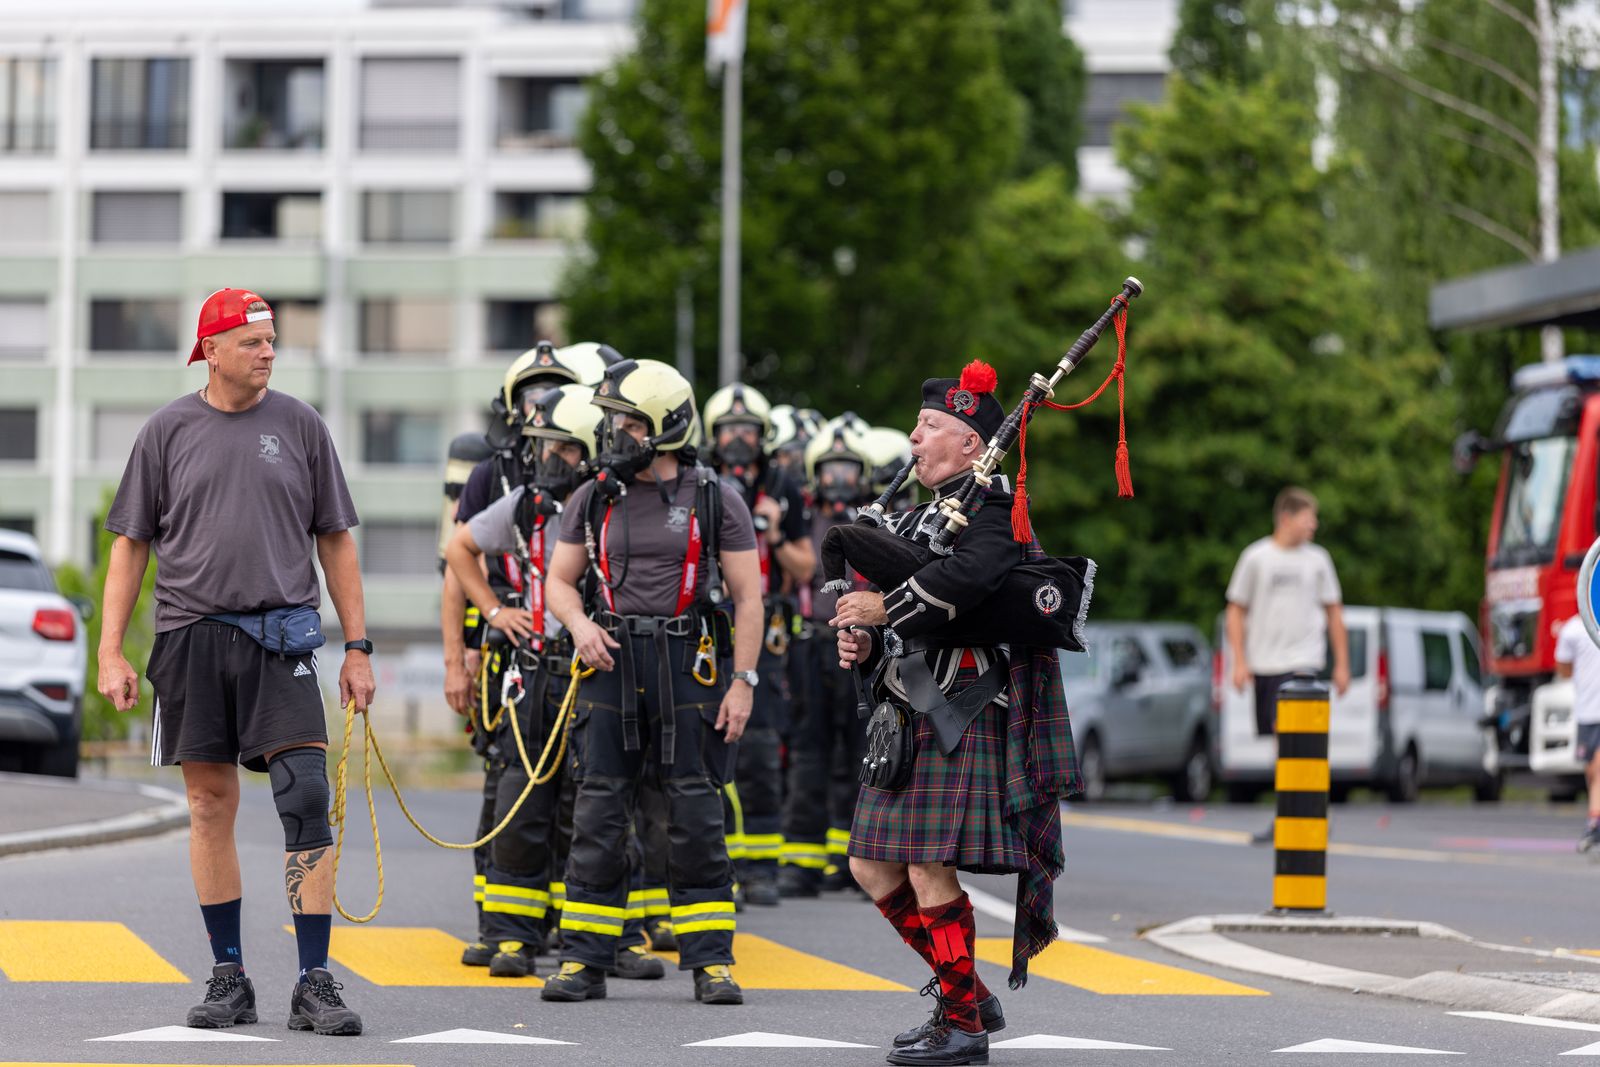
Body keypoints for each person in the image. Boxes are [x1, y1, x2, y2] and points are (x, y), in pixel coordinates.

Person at [98, 288, 374, 1036]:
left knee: (305, 793)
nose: (268, 352)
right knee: (209, 804)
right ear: (211, 351)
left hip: (281, 637)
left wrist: (357, 647)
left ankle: (314, 980)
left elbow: (336, 539)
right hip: (190, 638)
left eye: (271, 339)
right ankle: (230, 977)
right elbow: (130, 545)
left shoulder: (301, 425)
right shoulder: (166, 431)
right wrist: (111, 651)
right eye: (253, 341)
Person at [835, 363, 1078, 1067]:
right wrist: (867, 640)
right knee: (869, 865)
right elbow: (906, 618)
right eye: (916, 425)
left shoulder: (996, 509)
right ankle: (966, 994)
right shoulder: (919, 516)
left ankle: (964, 1025)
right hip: (906, 710)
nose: (914, 437)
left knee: (927, 867)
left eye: (930, 425)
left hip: (960, 709)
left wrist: (884, 609)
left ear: (971, 442)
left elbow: (968, 584)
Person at [541, 358, 763, 1006]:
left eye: (629, 421)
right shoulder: (592, 496)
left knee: (696, 813)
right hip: (609, 662)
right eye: (613, 420)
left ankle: (711, 962)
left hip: (688, 665)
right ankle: (584, 959)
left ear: (666, 424)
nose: (616, 433)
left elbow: (749, 597)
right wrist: (579, 624)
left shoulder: (714, 497)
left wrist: (743, 682)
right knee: (598, 811)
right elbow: (559, 581)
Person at [442, 342, 609, 966]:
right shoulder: (504, 486)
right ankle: (508, 932)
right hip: (524, 662)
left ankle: (589, 936)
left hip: (591, 669)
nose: (543, 408)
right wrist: (474, 636)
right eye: (533, 397)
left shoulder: (609, 498)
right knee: (515, 797)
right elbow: (456, 561)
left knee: (591, 803)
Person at [702, 383, 815, 905]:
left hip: (764, 628)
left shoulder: (782, 483)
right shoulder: (698, 481)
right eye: (729, 429)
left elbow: (806, 566)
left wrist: (773, 533)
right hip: (707, 623)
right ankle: (716, 863)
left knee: (761, 749)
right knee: (704, 745)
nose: (738, 439)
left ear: (762, 435)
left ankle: (762, 869)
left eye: (747, 429)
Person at [778, 416, 875, 899]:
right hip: (813, 644)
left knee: (863, 755)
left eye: (848, 469)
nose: (839, 479)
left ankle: (857, 861)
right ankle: (802, 862)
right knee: (809, 754)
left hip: (865, 645)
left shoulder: (877, 519)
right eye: (830, 469)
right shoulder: (803, 520)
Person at [1225, 487, 1348, 842]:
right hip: (1266, 663)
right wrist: (1239, 661)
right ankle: (1296, 813)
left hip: (1303, 663)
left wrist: (1341, 664)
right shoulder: (1256, 557)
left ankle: (1304, 814)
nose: (1314, 525)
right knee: (1283, 745)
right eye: (1308, 518)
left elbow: (1334, 612)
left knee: (1294, 735)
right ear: (1286, 518)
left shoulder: (1318, 560)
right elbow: (1236, 610)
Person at [1555, 614, 1600, 851]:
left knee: (1598, 768)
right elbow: (1563, 668)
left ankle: (1594, 823)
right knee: (1591, 772)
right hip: (1586, 712)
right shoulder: (1572, 630)